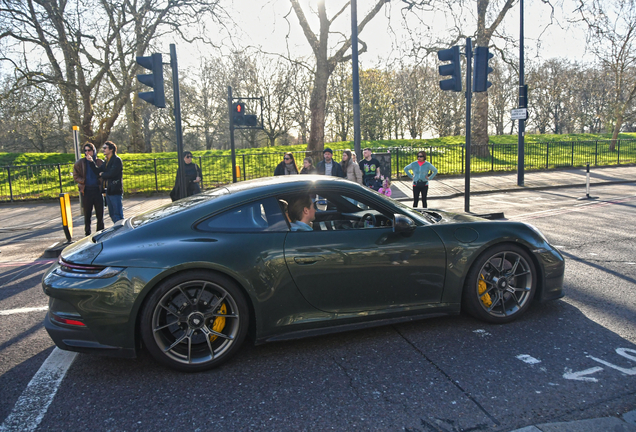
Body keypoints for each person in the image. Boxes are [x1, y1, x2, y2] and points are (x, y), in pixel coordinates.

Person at [87, 141, 124, 223]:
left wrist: (102, 174)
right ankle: (117, 231)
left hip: (115, 190)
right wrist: (91, 162)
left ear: (111, 149)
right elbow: (97, 171)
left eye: (105, 148)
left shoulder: (116, 160)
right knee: (112, 214)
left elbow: (112, 174)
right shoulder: (107, 161)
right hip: (108, 190)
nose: (103, 150)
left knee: (118, 214)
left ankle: (122, 232)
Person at [73, 142, 104, 236]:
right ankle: (87, 232)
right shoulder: (80, 162)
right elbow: (75, 175)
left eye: (89, 150)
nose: (87, 152)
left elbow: (103, 173)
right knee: (87, 214)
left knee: (100, 213)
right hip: (86, 191)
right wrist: (83, 181)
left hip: (97, 190)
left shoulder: (99, 162)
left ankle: (100, 232)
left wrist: (101, 182)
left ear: (93, 151)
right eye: (85, 150)